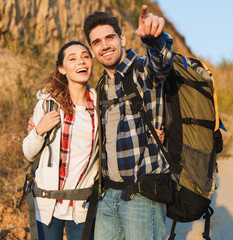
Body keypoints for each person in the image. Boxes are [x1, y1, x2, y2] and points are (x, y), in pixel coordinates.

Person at [83, 5, 173, 240]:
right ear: (92, 50)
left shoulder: (142, 70)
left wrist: (155, 39)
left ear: (122, 38)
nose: (104, 45)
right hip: (109, 196)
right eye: (97, 42)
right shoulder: (102, 86)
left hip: (143, 198)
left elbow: (161, 65)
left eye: (110, 37)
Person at [22, 41, 99, 240]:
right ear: (62, 68)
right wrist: (38, 131)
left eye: (85, 56)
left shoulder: (101, 107)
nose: (81, 61)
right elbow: (28, 153)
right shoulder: (48, 104)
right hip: (47, 204)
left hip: (82, 206)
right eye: (72, 59)